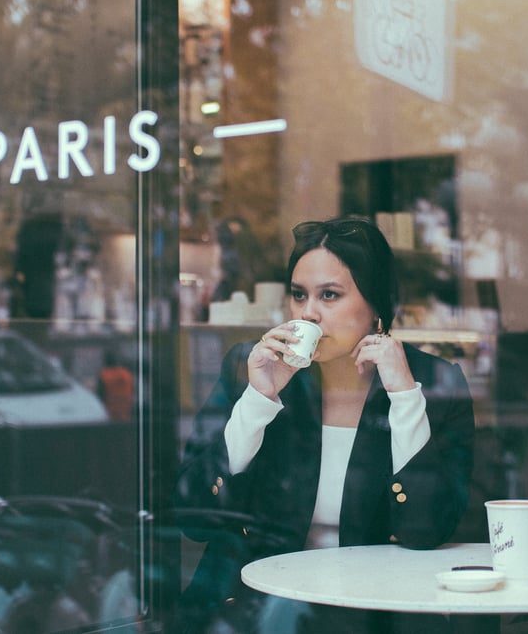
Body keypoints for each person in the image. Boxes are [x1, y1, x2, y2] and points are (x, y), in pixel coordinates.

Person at [172, 216, 475, 634]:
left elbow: (426, 530)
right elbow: (194, 519)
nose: (308, 314)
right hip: (256, 605)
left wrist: (405, 396)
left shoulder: (432, 381)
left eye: (329, 295)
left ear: (376, 307)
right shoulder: (253, 368)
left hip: (376, 610)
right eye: (299, 295)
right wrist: (259, 401)